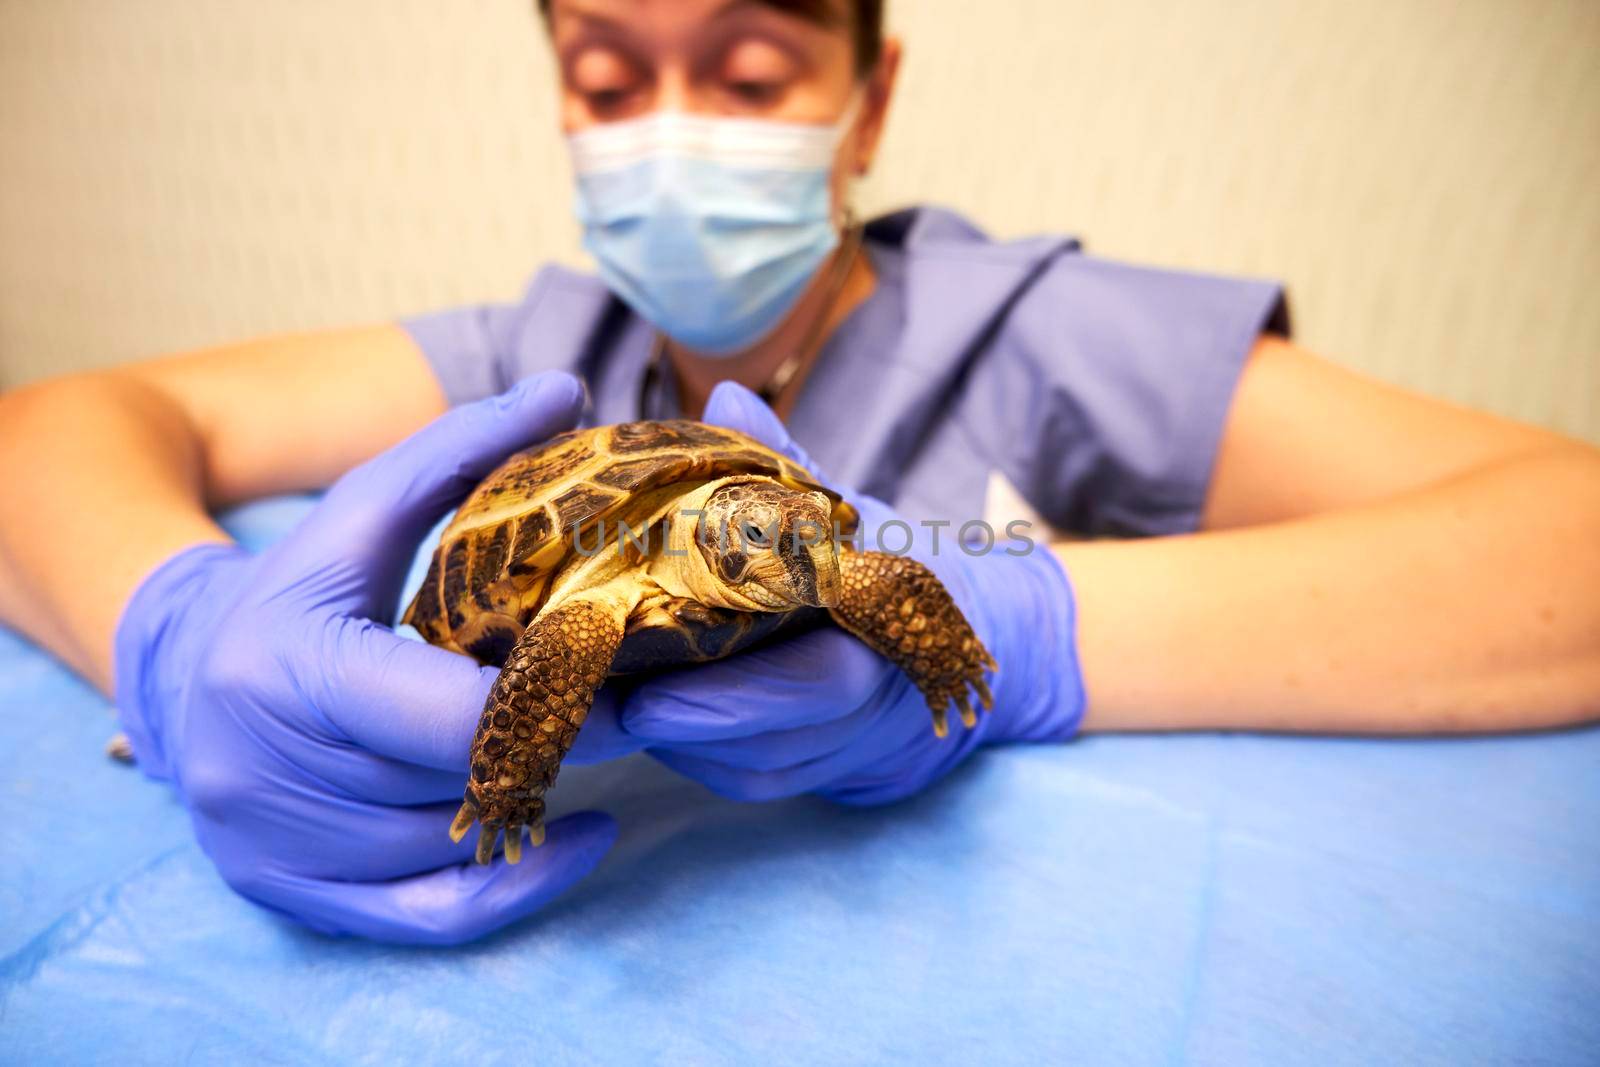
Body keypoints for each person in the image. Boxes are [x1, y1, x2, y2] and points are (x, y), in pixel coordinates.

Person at [1, 0, 1597, 945]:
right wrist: (178, 628)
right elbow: (49, 430)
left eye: (753, 75)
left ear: (870, 96)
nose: (673, 136)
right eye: (610, 84)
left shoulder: (1047, 332)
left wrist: (1020, 629)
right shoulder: (539, 360)